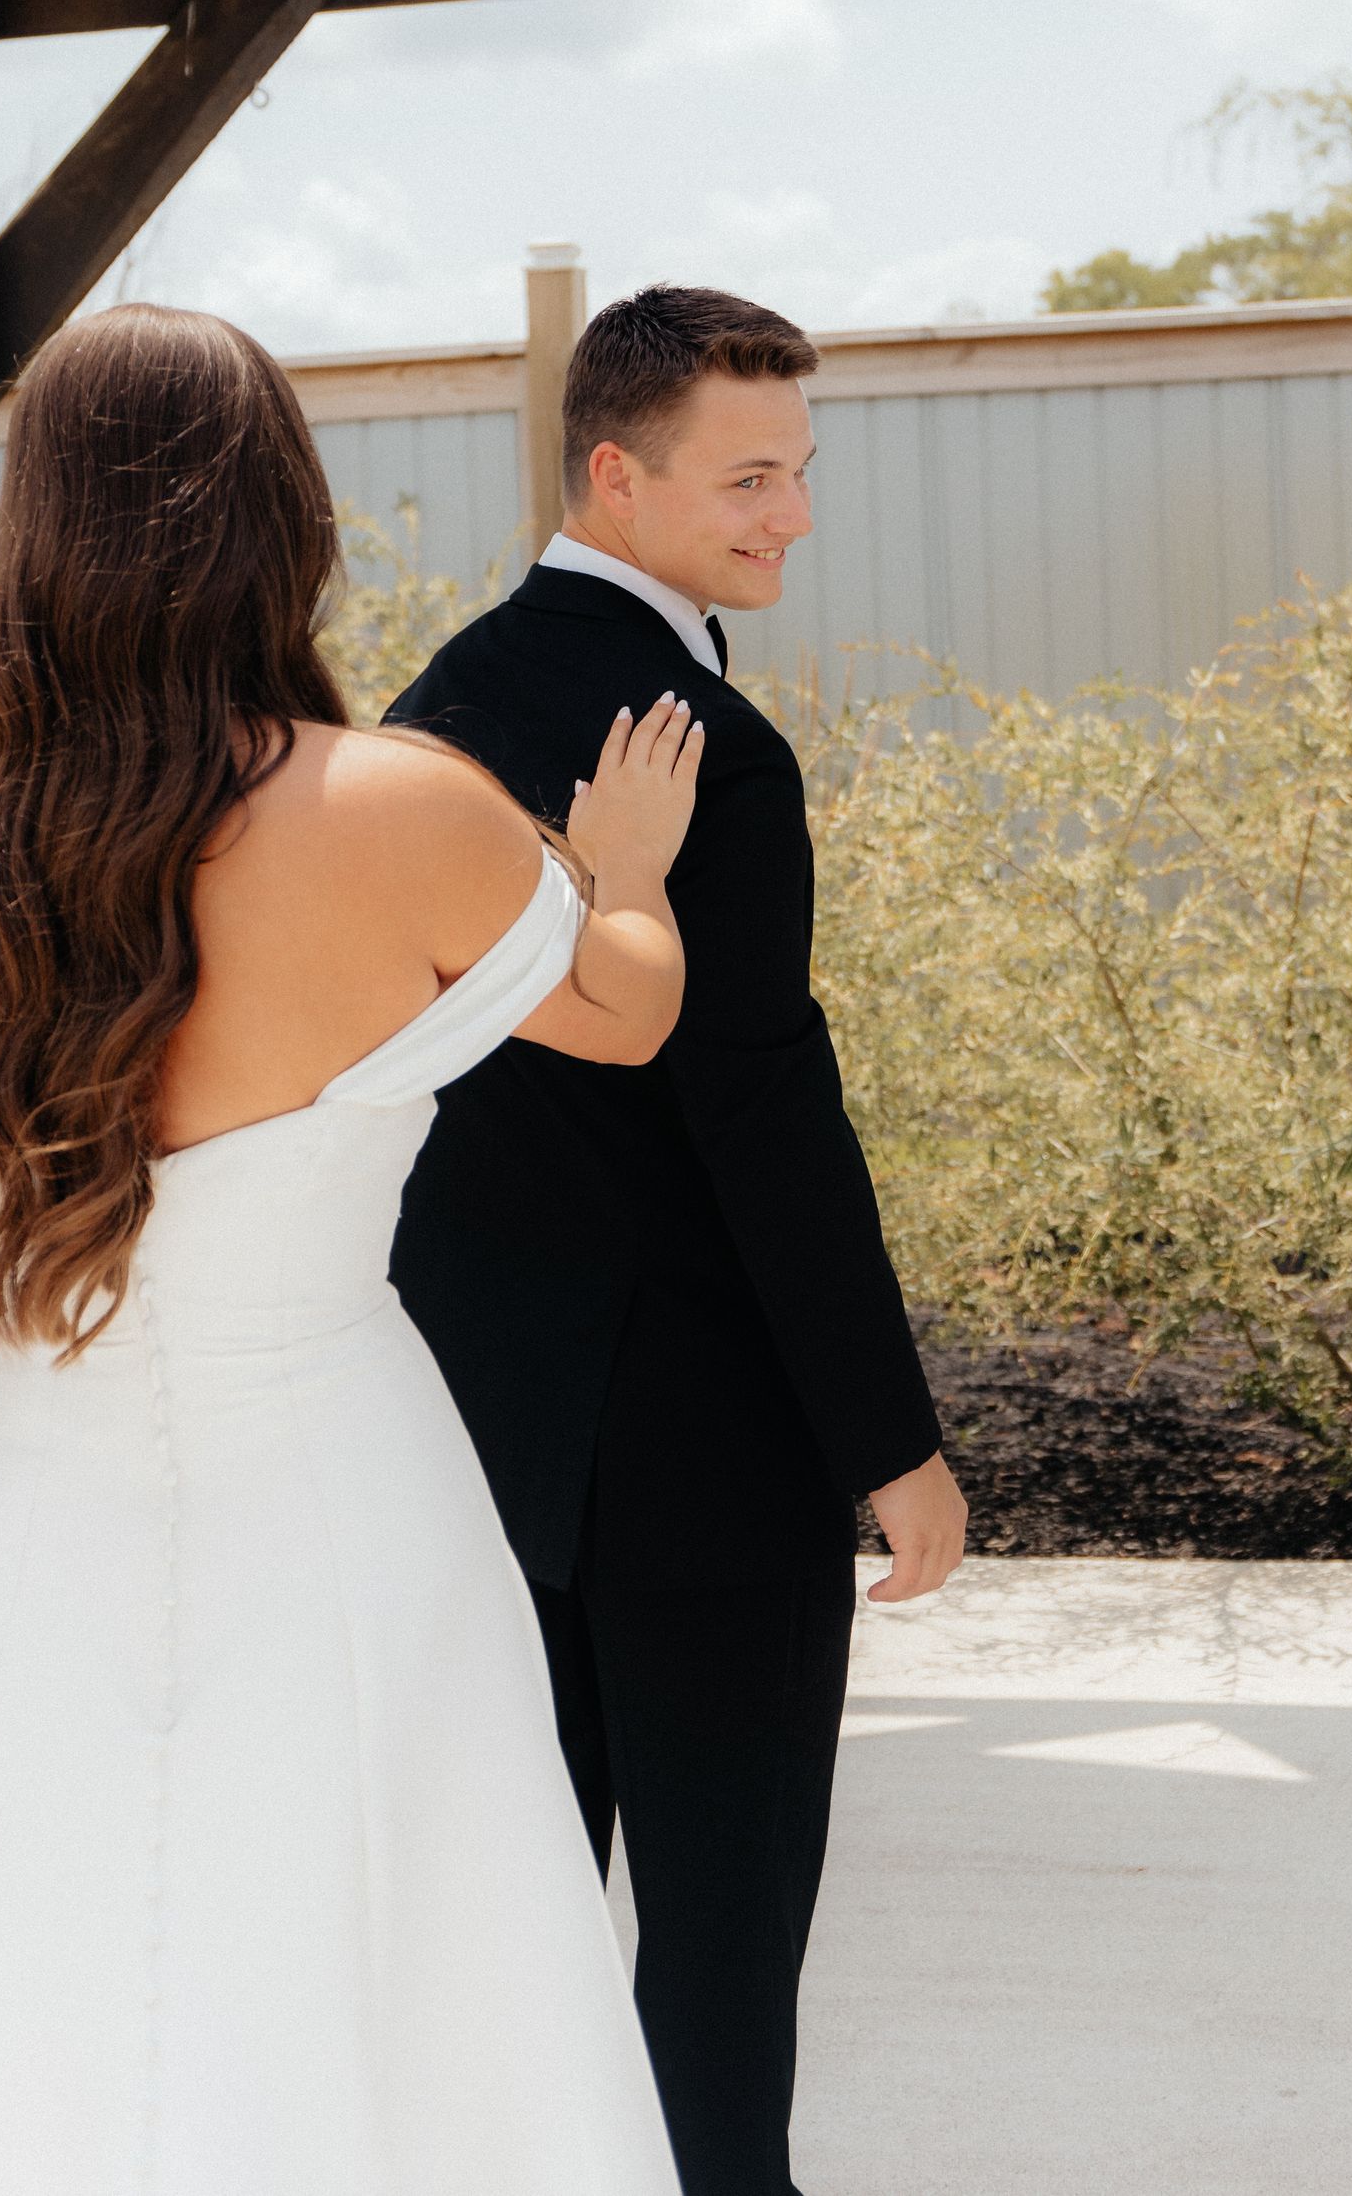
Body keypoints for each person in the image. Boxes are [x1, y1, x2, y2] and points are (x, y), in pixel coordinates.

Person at [0, 302, 700, 2196]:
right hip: (354, 1491)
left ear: (34, 525)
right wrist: (635, 875)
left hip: (43, 1500)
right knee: (409, 1982)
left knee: (25, 1989)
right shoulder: (408, 805)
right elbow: (629, 1014)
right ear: (287, 517)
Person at [387, 284, 967, 2196]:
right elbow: (763, 1118)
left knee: (512, 1953)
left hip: (475, 1449)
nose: (792, 511)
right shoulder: (710, 743)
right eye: (749, 475)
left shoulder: (419, 722)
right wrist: (893, 1443)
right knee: (717, 1967)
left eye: (801, 469)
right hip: (710, 1460)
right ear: (616, 476)